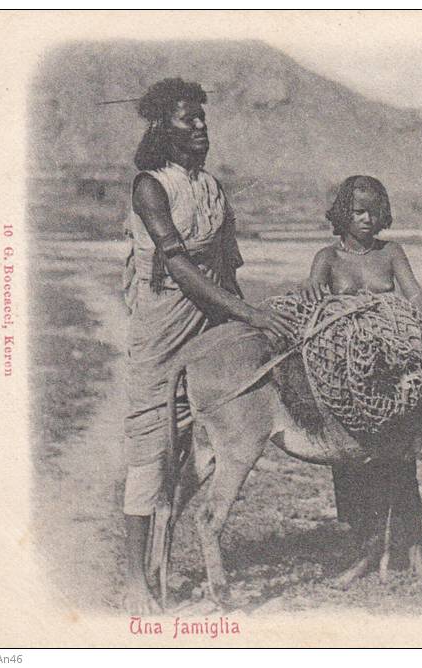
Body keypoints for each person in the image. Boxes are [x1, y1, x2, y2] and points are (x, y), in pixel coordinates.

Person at [121, 78, 298, 613]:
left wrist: (249, 326)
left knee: (196, 452)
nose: (199, 127)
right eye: (186, 119)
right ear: (161, 128)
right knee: (153, 449)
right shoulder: (150, 186)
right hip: (162, 330)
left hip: (213, 326)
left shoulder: (213, 188)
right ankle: (136, 576)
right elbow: (177, 263)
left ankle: (165, 561)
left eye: (201, 118)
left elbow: (227, 268)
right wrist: (246, 311)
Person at [300, 175, 422, 583]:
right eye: (358, 211)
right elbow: (313, 301)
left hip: (390, 374)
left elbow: (416, 296)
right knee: (353, 468)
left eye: (374, 211)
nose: (367, 219)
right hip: (345, 377)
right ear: (343, 213)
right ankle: (365, 553)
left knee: (400, 464)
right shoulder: (327, 258)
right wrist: (317, 297)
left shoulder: (391, 253)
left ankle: (412, 551)